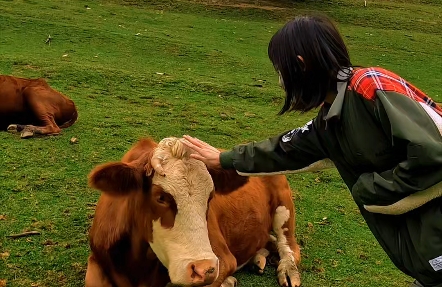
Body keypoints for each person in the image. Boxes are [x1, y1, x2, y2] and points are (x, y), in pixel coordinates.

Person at [156, 15, 442, 286]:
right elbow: (282, 149)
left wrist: (374, 190)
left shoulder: (371, 88)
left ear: (301, 64)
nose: (281, 80)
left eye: (280, 70)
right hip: (427, 261)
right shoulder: (331, 120)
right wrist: (223, 158)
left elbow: (433, 151)